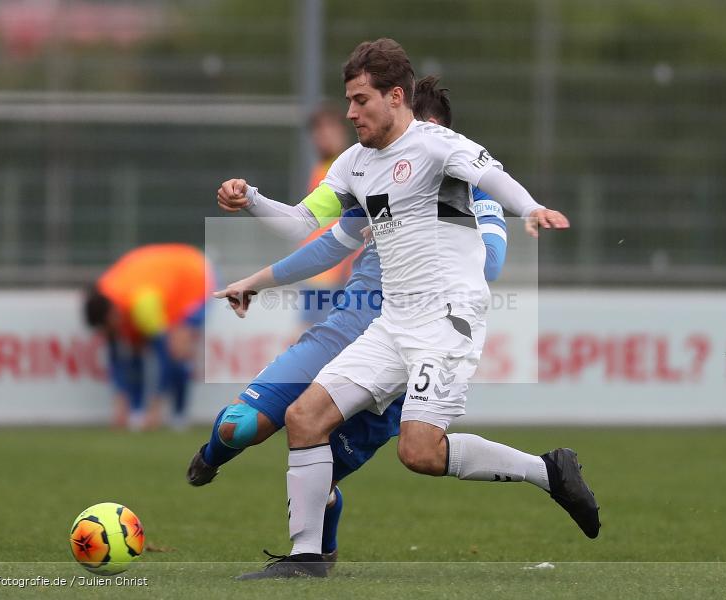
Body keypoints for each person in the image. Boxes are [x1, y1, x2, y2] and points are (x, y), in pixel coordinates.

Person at [216, 39, 598, 579]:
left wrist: (530, 207)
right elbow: (304, 223)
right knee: (304, 417)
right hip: (393, 323)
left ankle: (548, 471)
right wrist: (250, 198)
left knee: (419, 452)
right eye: (348, 100)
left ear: (396, 98)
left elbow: (492, 176)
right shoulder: (353, 163)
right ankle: (306, 559)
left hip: (447, 322)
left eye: (361, 100)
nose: (351, 113)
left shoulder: (438, 145)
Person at [187, 76, 509, 569]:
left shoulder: (476, 198)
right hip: (343, 332)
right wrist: (256, 276)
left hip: (404, 356)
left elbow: (487, 267)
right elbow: (322, 240)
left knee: (322, 473)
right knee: (238, 426)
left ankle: (317, 554)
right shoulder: (374, 186)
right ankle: (212, 458)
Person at [83, 244, 212, 430]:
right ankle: (136, 411)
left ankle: (179, 415)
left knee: (177, 350)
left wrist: (155, 405)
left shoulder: (143, 306)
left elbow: (164, 355)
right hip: (158, 278)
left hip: (194, 275)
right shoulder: (104, 293)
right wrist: (121, 399)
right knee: (134, 349)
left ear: (112, 316)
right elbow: (116, 356)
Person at [297, 104, 356, 329]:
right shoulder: (321, 169)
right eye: (318, 132)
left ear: (343, 132)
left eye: (329, 129)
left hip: (337, 273)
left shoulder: (348, 169)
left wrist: (347, 265)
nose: (323, 136)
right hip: (317, 272)